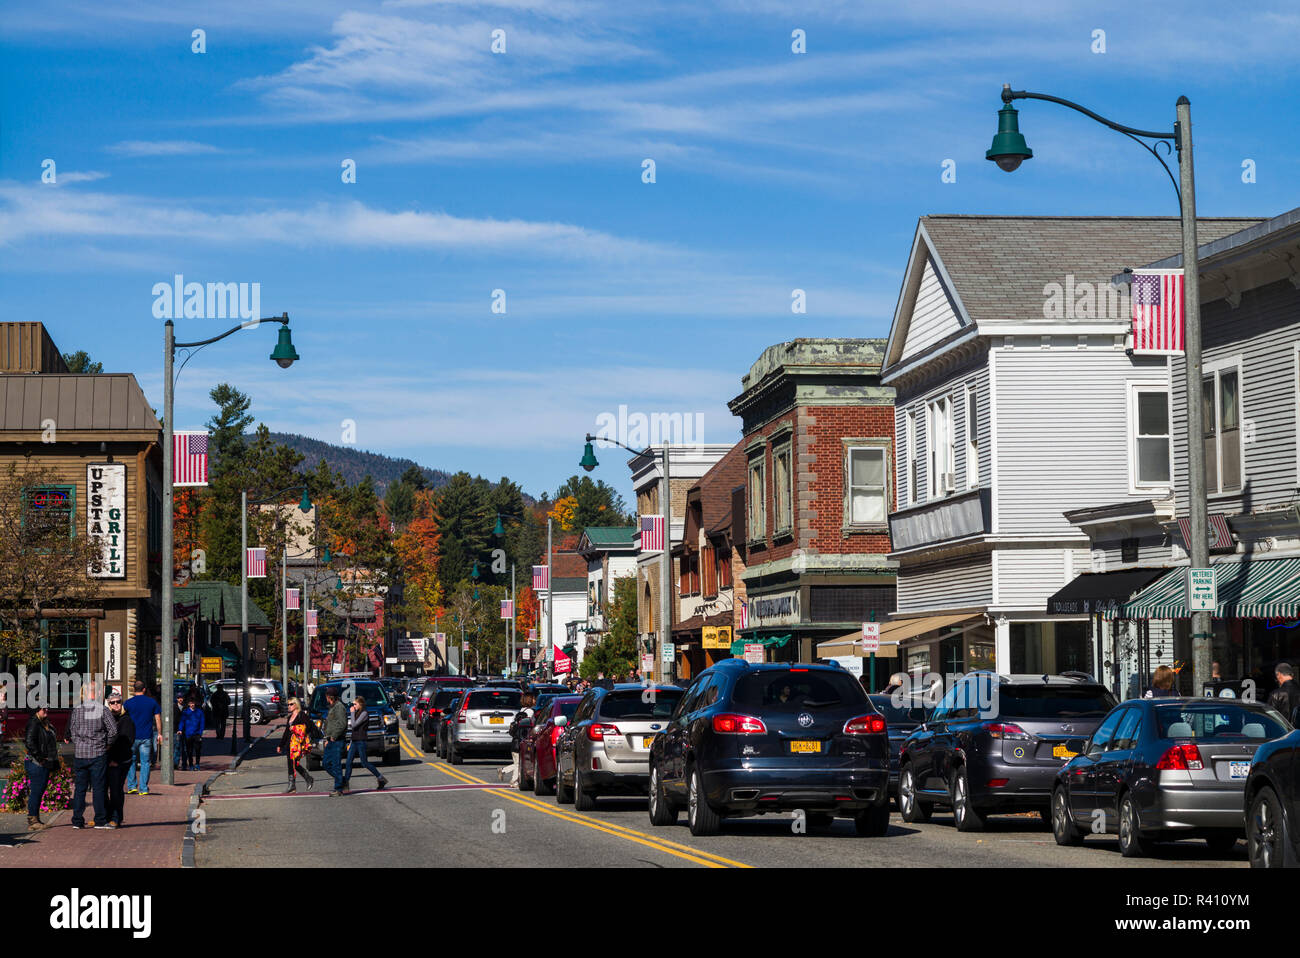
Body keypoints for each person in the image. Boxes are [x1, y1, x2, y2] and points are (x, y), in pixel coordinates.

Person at [68, 680, 118, 829]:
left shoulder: (77, 710)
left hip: (81, 753)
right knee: (98, 788)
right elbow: (113, 731)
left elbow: (73, 731)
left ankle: (77, 820)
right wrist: (106, 744)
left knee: (80, 789)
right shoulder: (102, 710)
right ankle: (100, 819)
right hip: (97, 752)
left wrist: (79, 743)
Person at [23, 704, 59, 831]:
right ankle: (32, 821)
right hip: (36, 764)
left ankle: (36, 819)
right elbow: (29, 742)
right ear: (37, 710)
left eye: (47, 708)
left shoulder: (44, 722)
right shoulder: (34, 723)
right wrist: (40, 758)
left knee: (39, 791)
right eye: (44, 708)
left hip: (44, 763)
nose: (47, 710)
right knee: (36, 792)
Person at [342, 695, 388, 792]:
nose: (353, 706)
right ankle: (346, 783)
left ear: (361, 704)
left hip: (361, 741)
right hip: (354, 740)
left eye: (355, 704)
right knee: (348, 762)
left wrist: (352, 713)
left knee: (364, 762)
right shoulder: (358, 712)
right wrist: (350, 742)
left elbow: (354, 724)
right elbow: (353, 728)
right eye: (353, 704)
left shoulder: (364, 713)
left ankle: (380, 778)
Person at [124, 679, 162, 796]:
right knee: (145, 762)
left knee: (131, 761)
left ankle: (131, 786)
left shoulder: (128, 703)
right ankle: (144, 788)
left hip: (131, 737)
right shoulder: (152, 703)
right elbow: (157, 719)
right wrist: (159, 733)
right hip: (146, 736)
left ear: (134, 689)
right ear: (144, 689)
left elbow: (123, 719)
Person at [105, 692, 135, 828]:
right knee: (105, 788)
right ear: (108, 704)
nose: (116, 704)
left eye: (118, 702)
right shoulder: (108, 718)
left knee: (116, 789)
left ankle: (116, 817)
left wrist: (116, 759)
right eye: (113, 702)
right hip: (108, 759)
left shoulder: (126, 720)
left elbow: (126, 742)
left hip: (121, 760)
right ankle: (107, 815)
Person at [277, 697, 319, 792]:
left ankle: (297, 783)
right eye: (288, 704)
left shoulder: (301, 715)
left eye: (291, 704)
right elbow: (286, 732)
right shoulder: (289, 717)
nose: (289, 706)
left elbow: (309, 726)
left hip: (297, 744)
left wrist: (296, 729)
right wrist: (281, 745)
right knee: (292, 763)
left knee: (293, 763)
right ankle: (302, 780)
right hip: (289, 744)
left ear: (296, 705)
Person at [321, 687, 349, 796]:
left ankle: (338, 789)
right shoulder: (332, 707)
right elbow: (331, 724)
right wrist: (327, 738)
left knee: (336, 765)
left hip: (337, 740)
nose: (326, 698)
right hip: (330, 740)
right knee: (326, 764)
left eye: (326, 696)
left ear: (329, 697)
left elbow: (342, 724)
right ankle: (342, 781)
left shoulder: (339, 707)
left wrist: (334, 736)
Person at [505, 693, 536, 786]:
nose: (535, 700)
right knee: (519, 763)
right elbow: (530, 726)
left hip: (516, 740)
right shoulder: (530, 712)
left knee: (518, 762)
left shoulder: (521, 710)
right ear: (529, 700)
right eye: (533, 698)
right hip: (522, 740)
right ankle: (514, 781)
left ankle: (504, 772)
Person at [179, 697, 205, 770]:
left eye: (193, 703)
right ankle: (190, 764)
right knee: (189, 750)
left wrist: (200, 732)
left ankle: (197, 764)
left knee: (198, 750)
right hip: (188, 734)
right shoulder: (185, 712)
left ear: (195, 703)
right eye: (190, 703)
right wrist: (180, 729)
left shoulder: (199, 712)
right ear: (188, 704)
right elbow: (182, 722)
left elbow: (202, 723)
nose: (192, 705)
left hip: (197, 734)